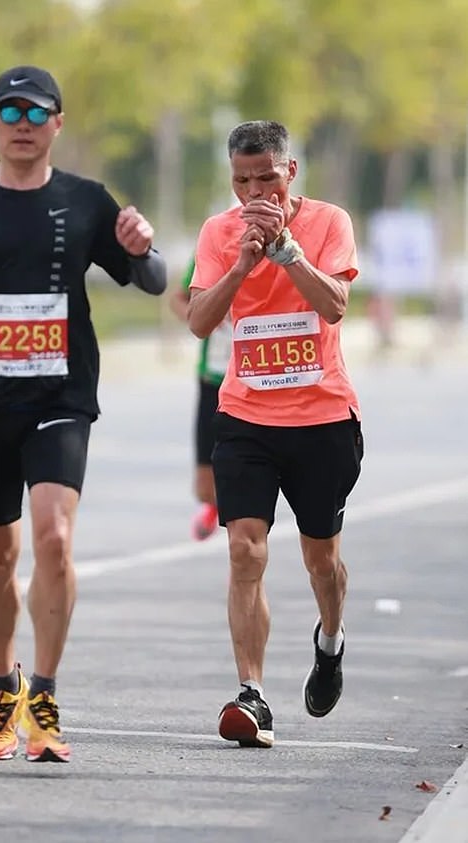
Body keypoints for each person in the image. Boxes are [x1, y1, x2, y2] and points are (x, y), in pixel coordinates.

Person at [0, 65, 167, 763]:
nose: (22, 123)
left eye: (35, 112)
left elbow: (153, 277)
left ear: (57, 123)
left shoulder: (85, 200)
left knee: (54, 536)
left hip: (60, 397)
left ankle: (43, 693)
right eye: (9, 111)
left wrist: (142, 249)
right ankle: (3, 687)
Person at [187, 120, 363, 748]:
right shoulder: (218, 232)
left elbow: (336, 304)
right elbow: (199, 321)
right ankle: (252, 695)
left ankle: (331, 639)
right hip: (246, 417)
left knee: (322, 562)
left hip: (322, 420)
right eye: (242, 180)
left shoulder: (329, 221)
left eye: (266, 177)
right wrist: (240, 265)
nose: (254, 191)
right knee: (246, 551)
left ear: (289, 173)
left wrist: (289, 253)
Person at [170, 255, 232, 540]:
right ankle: (215, 506)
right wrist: (200, 316)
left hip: (254, 381)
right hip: (213, 377)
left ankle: (240, 519)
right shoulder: (211, 245)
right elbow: (178, 300)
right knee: (205, 487)